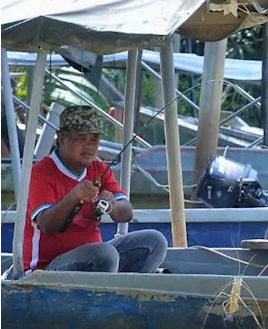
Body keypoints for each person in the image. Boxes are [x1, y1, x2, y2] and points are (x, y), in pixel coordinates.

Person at [20, 105, 167, 276]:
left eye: (94, 140)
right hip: (47, 269)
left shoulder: (99, 168)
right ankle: (107, 295)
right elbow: (47, 225)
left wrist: (112, 205)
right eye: (81, 139)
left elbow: (126, 213)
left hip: (98, 260)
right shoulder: (41, 172)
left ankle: (123, 295)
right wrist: (73, 197)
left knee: (154, 241)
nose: (89, 147)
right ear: (61, 139)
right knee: (104, 254)